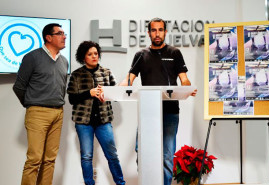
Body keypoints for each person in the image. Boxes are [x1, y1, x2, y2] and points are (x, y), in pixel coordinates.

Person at [120, 17, 197, 185]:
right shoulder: (141, 55)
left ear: (165, 32)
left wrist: (186, 87)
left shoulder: (174, 53)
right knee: (142, 150)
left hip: (170, 111)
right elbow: (129, 80)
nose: (157, 34)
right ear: (149, 33)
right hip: (148, 111)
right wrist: (116, 88)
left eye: (160, 30)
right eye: (153, 30)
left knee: (167, 155)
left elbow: (184, 78)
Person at [13, 23, 68, 185]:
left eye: (64, 33)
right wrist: (32, 104)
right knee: (34, 159)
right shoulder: (32, 57)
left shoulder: (64, 61)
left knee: (50, 159)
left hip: (58, 112)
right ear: (48, 37)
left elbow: (61, 87)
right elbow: (19, 86)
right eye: (60, 33)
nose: (64, 36)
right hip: (38, 113)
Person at [67, 41, 126, 185]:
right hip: (83, 123)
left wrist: (106, 95)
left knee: (112, 155)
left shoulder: (107, 72)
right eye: (90, 54)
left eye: (96, 53)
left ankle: (120, 183)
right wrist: (89, 93)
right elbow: (72, 99)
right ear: (83, 57)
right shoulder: (76, 75)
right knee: (86, 156)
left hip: (103, 121)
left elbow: (116, 95)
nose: (94, 56)